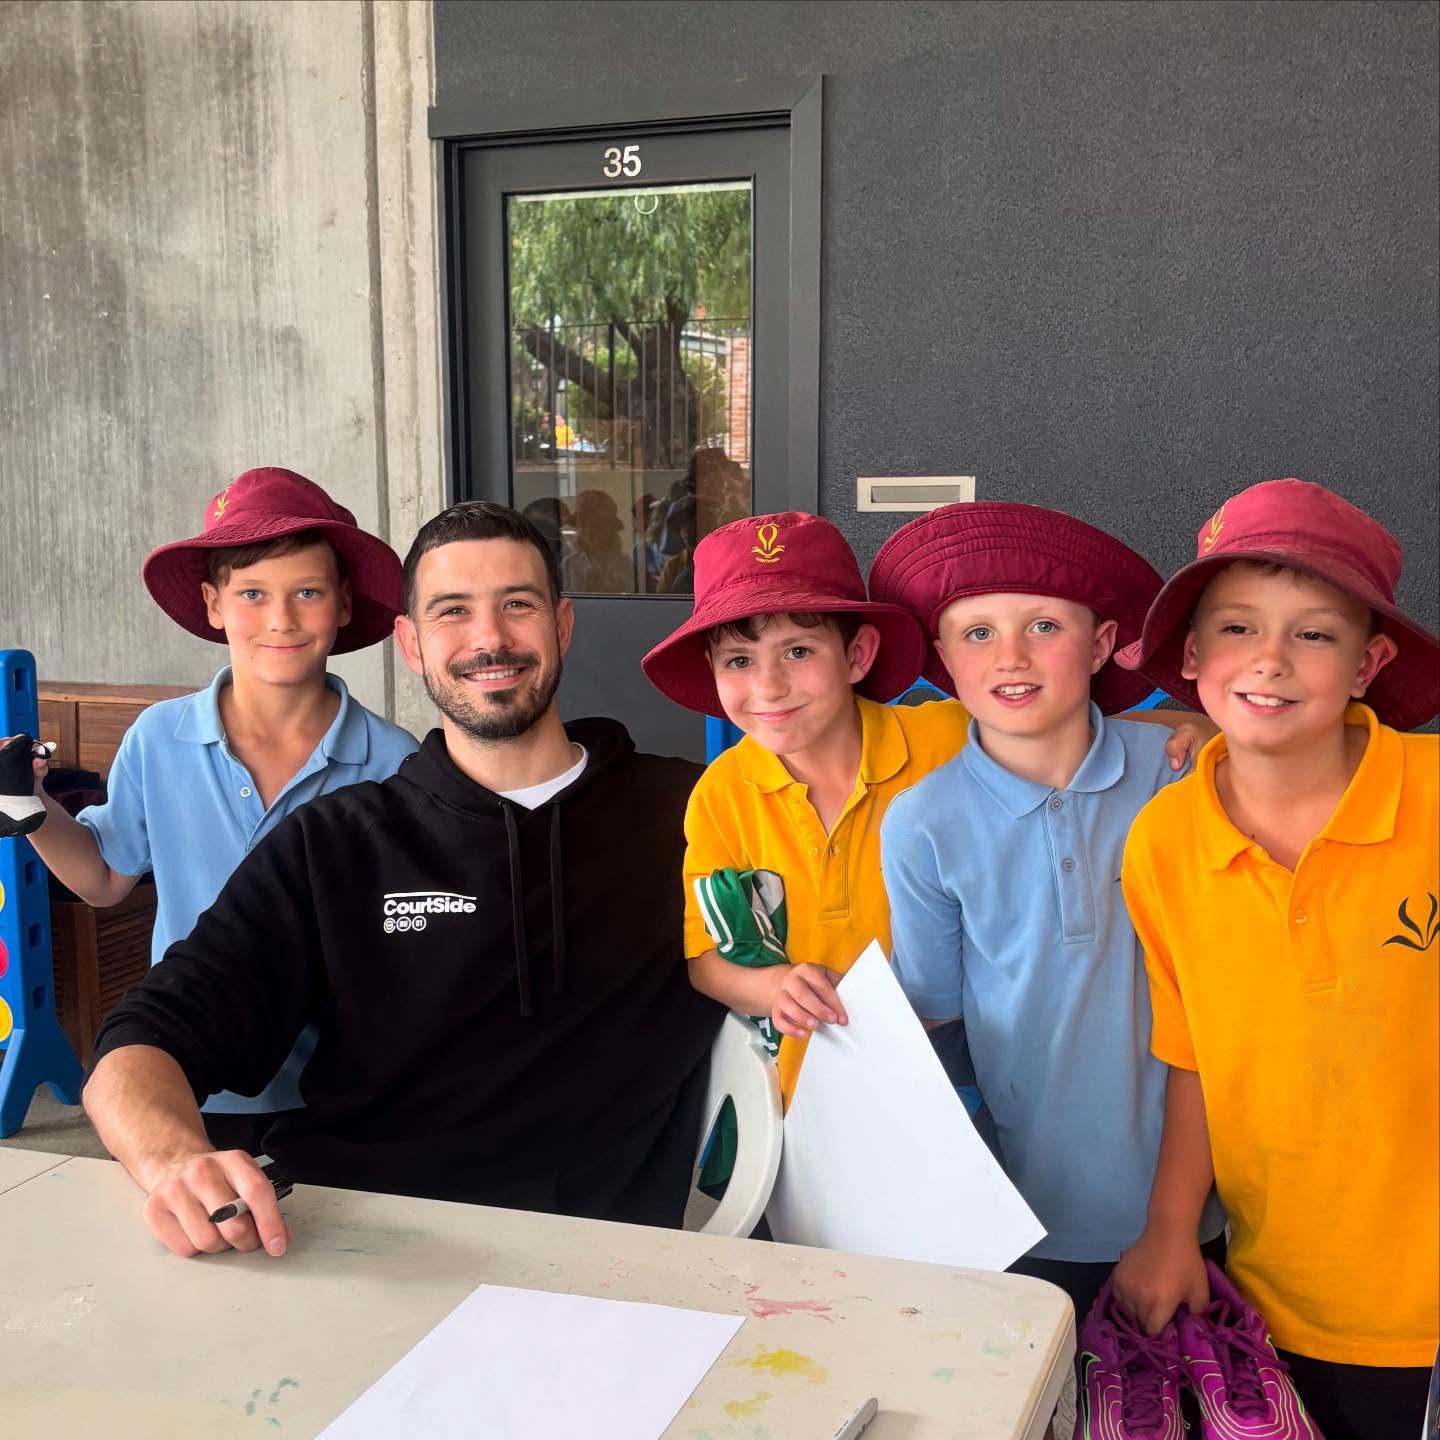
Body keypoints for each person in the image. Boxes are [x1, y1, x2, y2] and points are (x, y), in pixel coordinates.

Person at [83, 501, 723, 1258]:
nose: (489, 639)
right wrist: (175, 1162)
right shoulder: (334, 842)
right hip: (354, 1247)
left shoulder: (695, 814)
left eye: (517, 605)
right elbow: (145, 1038)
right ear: (411, 644)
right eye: (453, 611)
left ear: (562, 625)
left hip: (608, 1266)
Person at [642, 510, 1209, 1110]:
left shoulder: (945, 737)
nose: (769, 687)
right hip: (809, 1085)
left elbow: (1056, 726)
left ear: (858, 655)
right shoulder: (722, 792)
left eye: (799, 651)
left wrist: (1189, 727)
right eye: (738, 661)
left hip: (963, 1082)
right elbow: (706, 958)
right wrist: (773, 986)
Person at [1112, 479, 1439, 1440]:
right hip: (1280, 1294)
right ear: (1192, 656)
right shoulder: (1163, 842)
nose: (1270, 659)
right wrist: (1171, 1228)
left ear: (1368, 663)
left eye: (1314, 634)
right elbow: (1193, 1055)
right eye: (1238, 628)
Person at [867, 502, 1227, 1374]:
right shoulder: (921, 822)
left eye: (1043, 626)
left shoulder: (1181, 779)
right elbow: (937, 1015)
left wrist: (1212, 735)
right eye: (977, 633)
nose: (1011, 656)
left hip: (1203, 1195)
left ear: (1102, 645)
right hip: (1026, 1209)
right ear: (943, 659)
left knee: (1205, 1399)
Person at [9, 467, 416, 1154]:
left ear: (343, 604)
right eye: (252, 593)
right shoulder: (158, 738)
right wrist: (31, 804)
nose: (281, 619)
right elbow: (104, 879)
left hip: (344, 1080)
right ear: (213, 603)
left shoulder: (394, 760)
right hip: (189, 1074)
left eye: (307, 592)